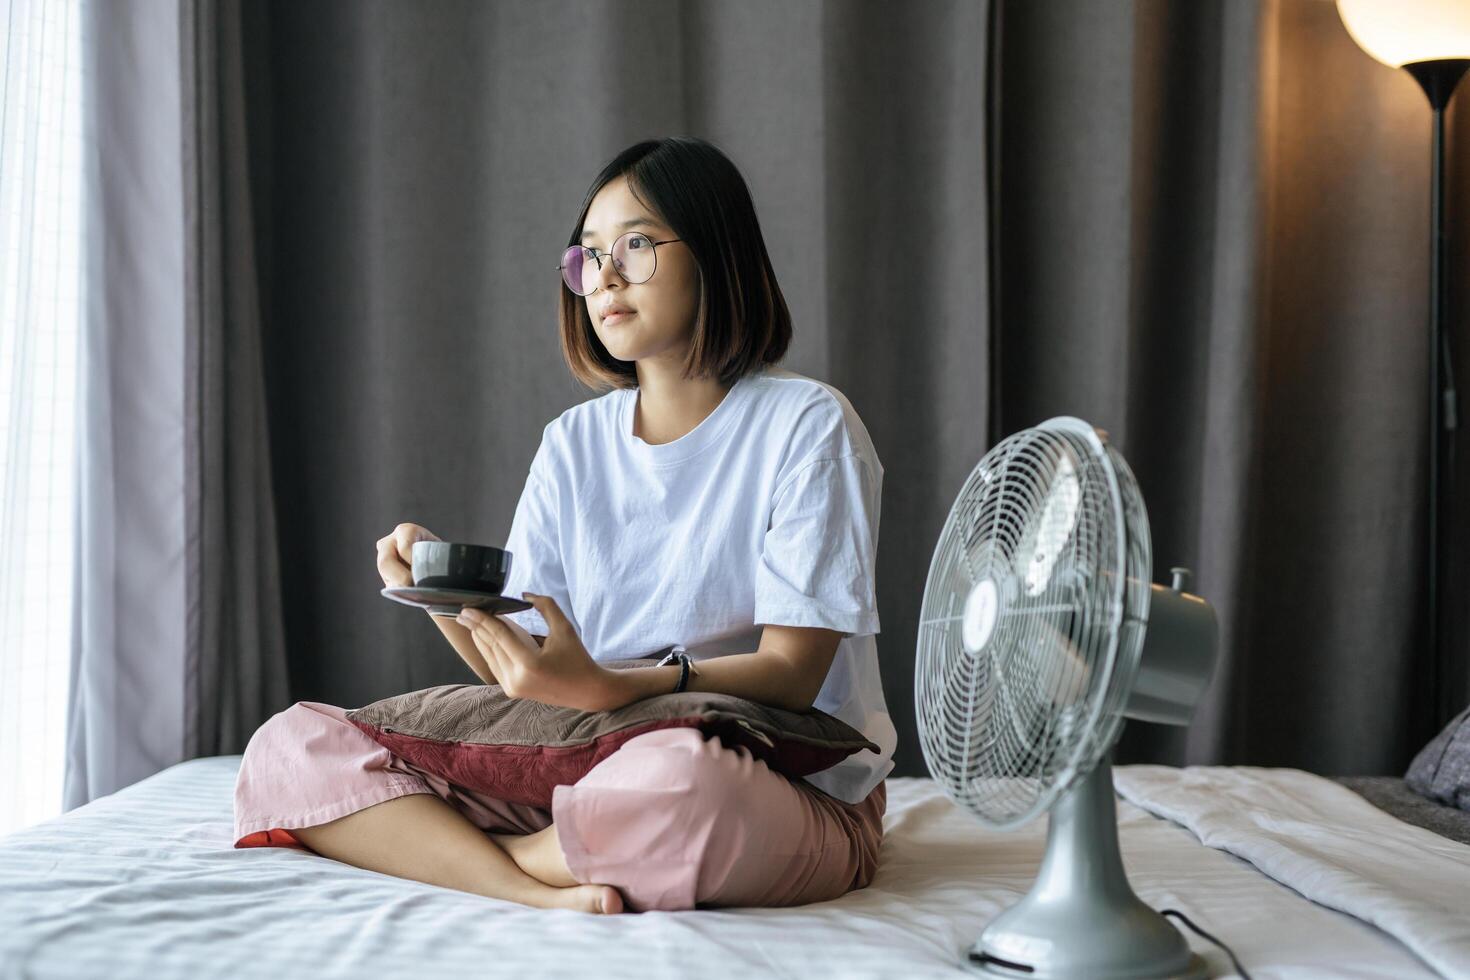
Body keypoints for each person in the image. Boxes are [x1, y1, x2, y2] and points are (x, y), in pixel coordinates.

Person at [232, 135, 897, 916]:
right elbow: (527, 678)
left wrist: (618, 687)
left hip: (780, 782)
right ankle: (527, 882)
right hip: (586, 759)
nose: (605, 276)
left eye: (637, 245)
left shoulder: (808, 424)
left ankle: (472, 853)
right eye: (588, 256)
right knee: (291, 744)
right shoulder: (572, 442)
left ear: (718, 252)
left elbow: (793, 671)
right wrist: (443, 596)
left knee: (681, 785)